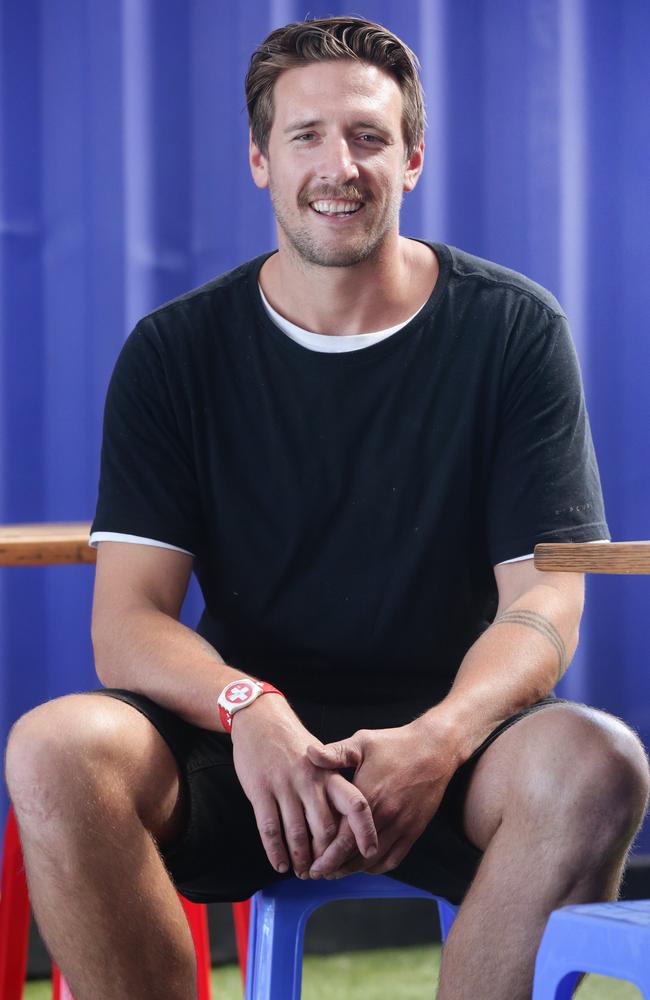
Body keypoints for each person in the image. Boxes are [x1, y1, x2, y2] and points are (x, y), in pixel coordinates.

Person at [5, 15, 649, 1000]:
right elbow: (126, 622)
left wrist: (439, 734)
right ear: (260, 159)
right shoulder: (175, 353)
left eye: (366, 136)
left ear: (413, 158)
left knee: (597, 762)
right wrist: (248, 706)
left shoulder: (511, 331)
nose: (336, 165)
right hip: (237, 748)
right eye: (305, 136)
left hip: (457, 739)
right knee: (54, 748)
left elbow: (542, 603)